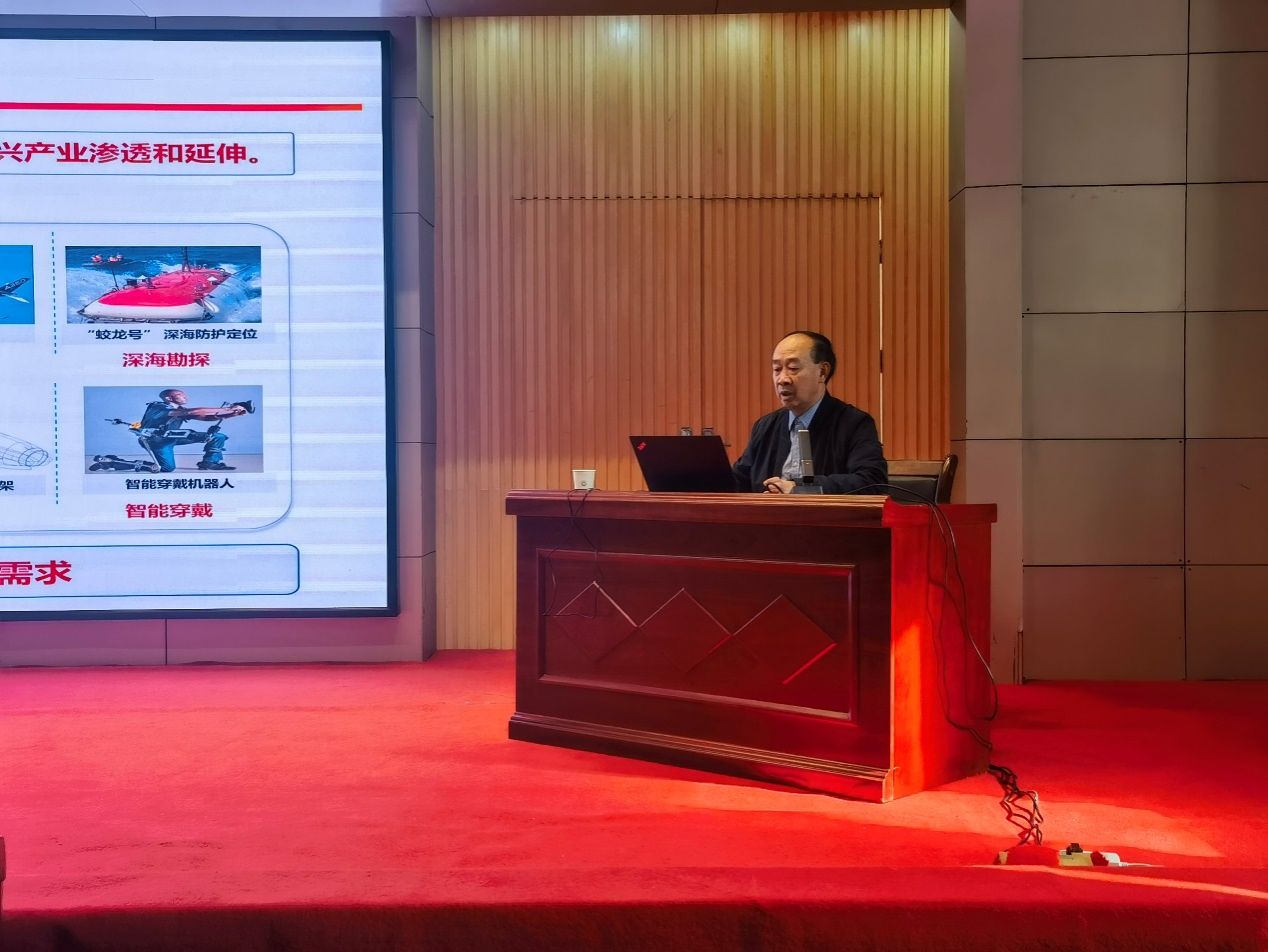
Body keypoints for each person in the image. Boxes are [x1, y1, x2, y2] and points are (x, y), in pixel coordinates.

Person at [732, 331, 887, 494]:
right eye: (777, 369)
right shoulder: (765, 426)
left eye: (793, 368)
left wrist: (800, 488)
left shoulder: (854, 423)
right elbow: (738, 482)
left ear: (822, 372)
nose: (782, 379)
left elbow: (872, 481)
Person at [137, 389, 247, 473]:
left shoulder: (180, 410)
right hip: (156, 441)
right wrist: (227, 409)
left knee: (217, 436)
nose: (185, 397)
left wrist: (231, 414)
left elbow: (205, 417)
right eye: (180, 395)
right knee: (167, 468)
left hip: (173, 437)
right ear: (169, 398)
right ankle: (131, 464)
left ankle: (209, 462)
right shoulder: (158, 407)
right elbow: (193, 412)